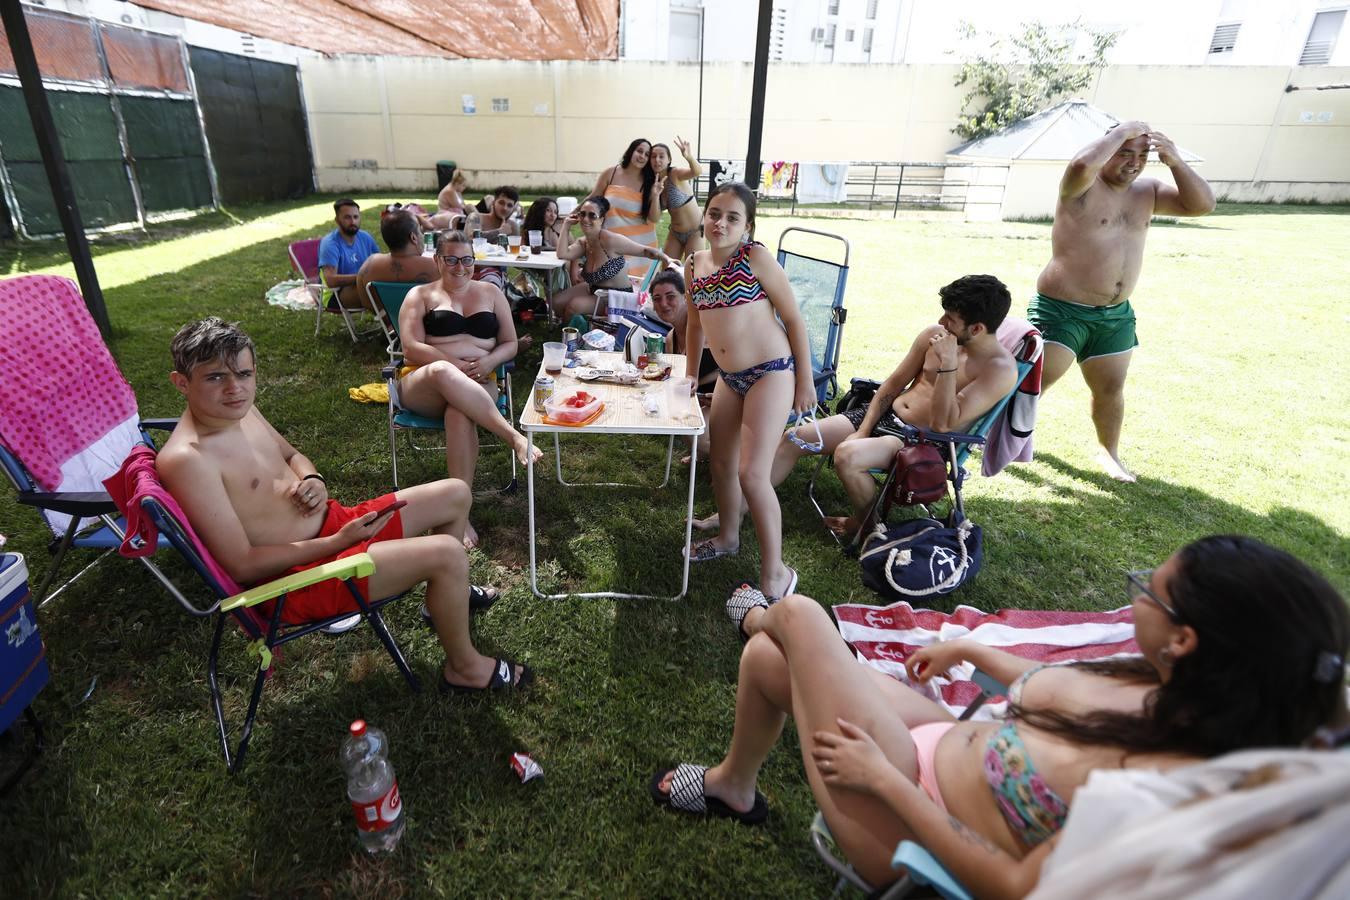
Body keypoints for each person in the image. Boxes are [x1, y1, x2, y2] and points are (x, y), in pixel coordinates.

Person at [649, 535, 1349, 897]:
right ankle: (734, 788)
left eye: (1149, 589)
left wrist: (887, 783)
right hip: (939, 742)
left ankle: (761, 615)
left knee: (797, 620)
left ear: (1186, 639)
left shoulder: (1154, 788)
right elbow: (1054, 686)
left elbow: (1018, 890)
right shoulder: (1172, 687)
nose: (1136, 591)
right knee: (771, 665)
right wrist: (974, 647)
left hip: (902, 811)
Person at [156, 317, 533, 692]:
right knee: (449, 553)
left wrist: (312, 479)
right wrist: (337, 543)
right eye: (215, 377)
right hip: (298, 579)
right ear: (181, 383)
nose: (235, 387)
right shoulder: (188, 459)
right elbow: (241, 563)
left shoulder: (240, 410)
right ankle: (464, 668)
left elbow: (292, 455)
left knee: (455, 492)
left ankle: (444, 602)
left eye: (243, 373)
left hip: (335, 526)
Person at [695, 275, 1019, 538]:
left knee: (847, 457)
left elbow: (946, 422)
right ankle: (730, 513)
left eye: (951, 319)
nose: (940, 322)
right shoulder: (934, 335)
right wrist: (862, 429)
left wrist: (948, 365)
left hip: (920, 440)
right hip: (880, 418)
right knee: (794, 437)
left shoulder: (998, 370)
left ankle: (866, 525)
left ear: (976, 329)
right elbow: (892, 386)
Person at [1031, 121, 1215, 483]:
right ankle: (993, 438)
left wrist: (1175, 160)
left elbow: (1202, 205)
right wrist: (1122, 131)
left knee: (1111, 389)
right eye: (1125, 153)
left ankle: (1109, 453)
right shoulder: (1080, 186)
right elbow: (1081, 165)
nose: (1134, 162)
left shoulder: (1148, 191)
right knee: (1034, 384)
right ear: (1107, 149)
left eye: (1142, 155)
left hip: (1115, 316)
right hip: (1063, 310)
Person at [683, 182, 814, 603]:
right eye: (714, 213)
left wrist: (806, 382)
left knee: (752, 473)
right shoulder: (693, 265)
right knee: (719, 460)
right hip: (730, 376)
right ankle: (727, 537)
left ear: (748, 226)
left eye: (732, 217)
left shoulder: (754, 258)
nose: (720, 223)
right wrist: (689, 374)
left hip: (771, 373)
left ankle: (776, 572)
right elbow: (694, 324)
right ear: (703, 216)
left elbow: (793, 320)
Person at [398, 231, 543, 550]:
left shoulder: (491, 292)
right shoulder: (420, 295)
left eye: (466, 259)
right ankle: (514, 438)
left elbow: (509, 343)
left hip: (480, 383)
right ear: (437, 260)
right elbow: (410, 348)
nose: (459, 267)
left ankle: (458, 511)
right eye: (450, 259)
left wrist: (489, 358)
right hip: (424, 383)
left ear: (473, 261)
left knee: (459, 412)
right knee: (440, 371)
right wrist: (450, 362)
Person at [550, 196, 676, 321]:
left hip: (614, 296)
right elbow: (562, 254)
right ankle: (577, 326)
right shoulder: (584, 243)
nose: (585, 219)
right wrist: (566, 225)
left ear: (601, 219)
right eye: (582, 214)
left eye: (592, 215)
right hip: (594, 290)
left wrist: (667, 259)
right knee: (555, 302)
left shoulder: (611, 240)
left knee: (573, 306)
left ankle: (569, 336)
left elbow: (645, 251)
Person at [649, 269, 716, 462]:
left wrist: (721, 393)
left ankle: (729, 467)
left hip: (724, 397)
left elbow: (733, 368)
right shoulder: (671, 338)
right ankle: (704, 456)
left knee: (697, 435)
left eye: (670, 296)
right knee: (680, 419)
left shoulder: (705, 329)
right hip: (699, 398)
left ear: (686, 297)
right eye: (657, 299)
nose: (663, 304)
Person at [592, 138, 659, 279]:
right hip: (612, 245)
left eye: (647, 154)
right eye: (639, 151)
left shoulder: (650, 182)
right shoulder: (610, 173)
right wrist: (573, 213)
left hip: (640, 247)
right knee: (609, 290)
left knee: (635, 294)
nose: (642, 156)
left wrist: (656, 194)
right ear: (631, 151)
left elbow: (654, 218)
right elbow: (593, 198)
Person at [355, 207, 439, 309]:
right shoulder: (435, 266)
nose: (421, 235)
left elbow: (367, 303)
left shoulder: (369, 265)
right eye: (420, 231)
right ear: (413, 237)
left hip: (392, 322)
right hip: (427, 322)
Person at [319, 199, 380, 311]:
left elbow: (379, 262)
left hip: (363, 284)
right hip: (335, 294)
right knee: (377, 293)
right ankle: (393, 326)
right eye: (347, 217)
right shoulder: (330, 243)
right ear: (337, 220)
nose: (352, 221)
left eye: (356, 217)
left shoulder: (365, 237)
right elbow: (331, 280)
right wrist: (362, 278)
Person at [649, 136, 704, 260]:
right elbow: (654, 218)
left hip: (695, 231)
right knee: (667, 271)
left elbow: (696, 172)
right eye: (653, 156)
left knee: (693, 272)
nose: (657, 160)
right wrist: (655, 195)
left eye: (661, 156)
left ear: (669, 160)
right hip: (675, 233)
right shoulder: (652, 183)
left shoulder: (675, 174)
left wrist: (689, 157)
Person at [520, 196, 575, 292]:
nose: (552, 215)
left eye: (555, 212)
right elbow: (523, 252)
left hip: (564, 270)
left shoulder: (560, 230)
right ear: (539, 211)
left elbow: (575, 249)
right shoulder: (528, 233)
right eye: (548, 211)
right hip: (540, 267)